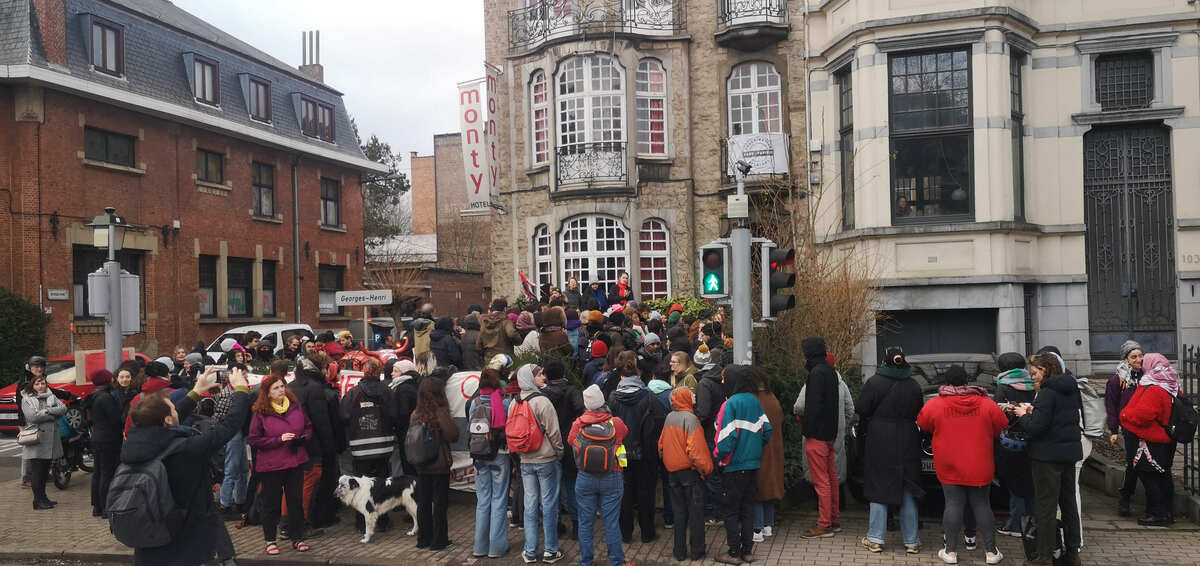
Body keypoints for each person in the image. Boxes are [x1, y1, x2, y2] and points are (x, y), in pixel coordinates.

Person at [123, 365, 251, 566]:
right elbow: (228, 426)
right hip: (185, 542)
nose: (177, 410)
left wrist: (196, 393)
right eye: (173, 408)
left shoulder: (135, 447)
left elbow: (168, 422)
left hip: (151, 540)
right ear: (167, 418)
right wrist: (242, 391)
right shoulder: (186, 449)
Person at [917, 365, 1008, 565]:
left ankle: (949, 551)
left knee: (953, 504)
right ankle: (991, 552)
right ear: (967, 382)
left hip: (948, 463)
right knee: (982, 504)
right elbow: (1001, 425)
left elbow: (923, 423)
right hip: (980, 464)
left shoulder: (936, 404)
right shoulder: (986, 403)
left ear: (947, 382)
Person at [1012, 352, 1082, 566]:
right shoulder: (1071, 388)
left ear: (1045, 370)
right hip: (1069, 454)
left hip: (1046, 457)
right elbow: (1058, 417)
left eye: (1034, 373)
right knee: (1069, 505)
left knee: (1046, 507)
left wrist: (1023, 415)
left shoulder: (1046, 393)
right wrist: (1036, 411)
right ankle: (1073, 553)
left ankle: (1043, 556)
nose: (1032, 377)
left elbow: (1036, 428)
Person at [857, 346, 924, 554]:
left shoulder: (874, 383)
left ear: (884, 360)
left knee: (879, 486)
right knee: (907, 487)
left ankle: (876, 538)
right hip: (908, 437)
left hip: (880, 439)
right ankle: (912, 541)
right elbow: (919, 411)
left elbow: (862, 409)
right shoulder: (914, 384)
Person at [248, 372, 314, 556]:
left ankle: (298, 538)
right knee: (271, 504)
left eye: (282, 386)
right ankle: (270, 541)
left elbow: (308, 427)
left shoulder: (296, 407)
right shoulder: (260, 413)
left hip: (295, 461)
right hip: (271, 465)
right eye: (276, 388)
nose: (281, 390)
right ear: (267, 393)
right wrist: (278, 440)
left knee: (295, 502)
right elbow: (253, 439)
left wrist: (303, 438)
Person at [712, 364, 772, 565]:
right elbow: (767, 431)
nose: (723, 382)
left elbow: (726, 439)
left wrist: (719, 457)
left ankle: (733, 553)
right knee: (747, 508)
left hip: (733, 466)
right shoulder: (754, 401)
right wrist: (754, 450)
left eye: (724, 379)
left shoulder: (731, 404)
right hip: (753, 465)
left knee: (730, 510)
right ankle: (747, 551)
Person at [608, 351, 666, 544]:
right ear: (638, 374)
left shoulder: (613, 398)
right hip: (645, 453)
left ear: (621, 376)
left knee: (623, 492)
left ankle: (625, 533)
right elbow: (658, 422)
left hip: (620, 453)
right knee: (645, 493)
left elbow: (608, 425)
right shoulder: (648, 396)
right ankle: (647, 533)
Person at [510, 364, 565, 564]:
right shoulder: (543, 401)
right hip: (546, 460)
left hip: (525, 460)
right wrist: (559, 452)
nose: (544, 377)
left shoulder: (514, 403)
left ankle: (530, 550)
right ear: (529, 378)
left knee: (530, 505)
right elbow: (554, 432)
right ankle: (551, 550)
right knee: (549, 505)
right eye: (539, 374)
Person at [569, 385, 630, 566]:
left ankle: (586, 561)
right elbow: (625, 434)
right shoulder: (615, 423)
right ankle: (616, 561)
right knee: (611, 523)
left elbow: (571, 441)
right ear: (602, 401)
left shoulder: (579, 423)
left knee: (585, 522)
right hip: (612, 475)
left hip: (585, 477)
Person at [341, 356, 401, 534]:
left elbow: (343, 415)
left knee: (361, 486)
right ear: (379, 372)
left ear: (364, 372)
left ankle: (362, 522)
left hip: (360, 449)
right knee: (381, 484)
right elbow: (395, 414)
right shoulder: (387, 392)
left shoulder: (353, 393)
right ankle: (382, 521)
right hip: (383, 448)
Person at [1119, 353, 1179, 527]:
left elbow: (1144, 415)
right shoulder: (1171, 383)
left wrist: (1126, 415)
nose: (1142, 364)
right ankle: (1167, 513)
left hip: (1152, 439)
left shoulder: (1154, 387)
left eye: (1145, 361)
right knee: (1163, 475)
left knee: (1150, 477)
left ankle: (1158, 514)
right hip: (1166, 438)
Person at [795, 353, 856, 511]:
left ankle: (823, 515)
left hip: (817, 434)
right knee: (835, 473)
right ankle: (837, 510)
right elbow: (850, 410)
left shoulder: (813, 382)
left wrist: (805, 420)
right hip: (836, 435)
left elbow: (799, 407)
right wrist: (843, 426)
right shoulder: (841, 384)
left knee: (819, 475)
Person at [660, 385, 713, 562]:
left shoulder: (669, 418)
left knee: (679, 512)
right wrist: (706, 470)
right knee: (695, 513)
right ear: (685, 398)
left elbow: (661, 446)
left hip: (673, 472)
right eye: (691, 394)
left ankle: (679, 551)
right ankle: (697, 550)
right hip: (689, 473)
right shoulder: (691, 419)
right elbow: (695, 450)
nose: (694, 396)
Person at [288, 357, 339, 530]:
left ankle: (288, 522)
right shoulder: (315, 389)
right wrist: (329, 446)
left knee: (294, 484)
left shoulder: (290, 387)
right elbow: (321, 421)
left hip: (292, 444)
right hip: (312, 445)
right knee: (311, 484)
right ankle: (304, 522)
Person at [798, 338, 840, 539]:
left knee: (821, 481)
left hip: (817, 435)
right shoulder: (831, 372)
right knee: (831, 478)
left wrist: (807, 429)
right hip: (831, 434)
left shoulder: (815, 374)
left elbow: (813, 407)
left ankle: (824, 524)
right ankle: (834, 518)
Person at [539, 358, 585, 539]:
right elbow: (582, 411)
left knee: (551, 488)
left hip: (548, 444)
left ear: (547, 376)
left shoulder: (542, 395)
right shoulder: (572, 391)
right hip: (570, 443)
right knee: (572, 484)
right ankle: (576, 525)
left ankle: (555, 525)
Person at [411, 376, 459, 550]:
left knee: (423, 502)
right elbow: (453, 435)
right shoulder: (440, 412)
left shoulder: (415, 414)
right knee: (439, 504)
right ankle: (439, 540)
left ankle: (423, 539)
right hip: (439, 465)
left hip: (421, 464)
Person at [993, 352, 1036, 537]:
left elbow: (997, 416)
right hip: (1034, 439)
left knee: (1015, 484)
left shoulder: (1003, 387)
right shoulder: (1034, 383)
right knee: (1032, 483)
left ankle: (1015, 525)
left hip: (1011, 443)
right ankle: (1032, 523)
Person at [471, 368, 512, 558]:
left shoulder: (474, 403)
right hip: (500, 455)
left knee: (483, 500)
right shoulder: (504, 402)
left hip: (479, 456)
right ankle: (497, 547)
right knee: (499, 500)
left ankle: (479, 547)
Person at [1106, 340, 1144, 517]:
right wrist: (1113, 430)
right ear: (1126, 359)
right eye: (1134, 356)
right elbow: (1111, 406)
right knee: (1133, 463)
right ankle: (1125, 498)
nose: (1138, 359)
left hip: (1146, 426)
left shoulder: (1147, 375)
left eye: (1140, 355)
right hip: (1129, 428)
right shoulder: (1117, 380)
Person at [21, 372, 67, 510]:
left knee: (45, 471)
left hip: (51, 439)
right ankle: (37, 501)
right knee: (38, 471)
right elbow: (33, 417)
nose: (41, 386)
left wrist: (46, 411)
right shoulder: (27, 399)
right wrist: (52, 414)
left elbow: (63, 409)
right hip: (37, 439)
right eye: (37, 384)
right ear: (32, 385)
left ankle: (43, 497)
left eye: (43, 383)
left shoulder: (51, 395)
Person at [749, 366, 783, 543]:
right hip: (775, 448)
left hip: (759, 449)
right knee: (770, 485)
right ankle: (768, 524)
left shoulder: (755, 400)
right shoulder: (773, 398)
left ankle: (757, 528)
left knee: (757, 487)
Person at [89, 368, 128, 518]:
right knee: (107, 473)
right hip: (108, 439)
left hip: (97, 437)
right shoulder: (106, 397)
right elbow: (116, 419)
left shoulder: (94, 395)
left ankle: (97, 506)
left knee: (97, 473)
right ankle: (105, 507)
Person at [390, 358, 420, 477]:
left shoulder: (403, 389)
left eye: (396, 371)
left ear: (404, 373)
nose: (392, 374)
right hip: (413, 432)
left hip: (405, 433)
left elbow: (403, 413)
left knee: (407, 464)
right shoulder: (413, 385)